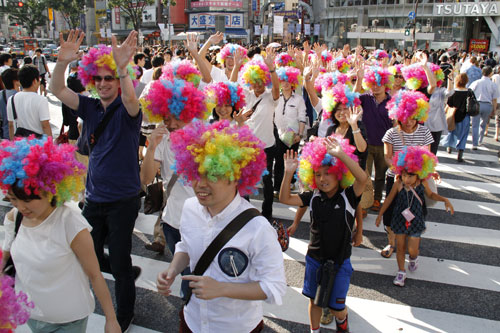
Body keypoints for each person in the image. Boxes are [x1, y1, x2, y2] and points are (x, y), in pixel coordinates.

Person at [50, 29, 142, 332]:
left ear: (117, 80)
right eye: (98, 78)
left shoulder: (128, 108)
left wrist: (123, 68)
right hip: (93, 198)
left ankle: (125, 312)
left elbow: (130, 98)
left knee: (118, 261)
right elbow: (58, 90)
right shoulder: (89, 105)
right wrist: (62, 63)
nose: (103, 83)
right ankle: (121, 268)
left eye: (109, 78)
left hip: (123, 200)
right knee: (84, 252)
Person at [157, 120, 287, 333]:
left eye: (213, 174)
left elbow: (274, 287)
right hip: (192, 321)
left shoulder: (258, 228)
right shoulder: (190, 208)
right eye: (197, 173)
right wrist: (172, 270)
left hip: (236, 327)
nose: (200, 184)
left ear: (236, 177)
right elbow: (185, 246)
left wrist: (223, 289)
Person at [0, 137, 121, 333]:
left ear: (50, 190)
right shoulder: (15, 218)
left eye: (28, 199)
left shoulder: (70, 222)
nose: (21, 207)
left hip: (68, 320)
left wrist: (111, 319)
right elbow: (5, 259)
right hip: (31, 316)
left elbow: (95, 275)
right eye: (13, 199)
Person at [279, 135, 368, 333]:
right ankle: (314, 330)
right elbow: (284, 198)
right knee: (315, 301)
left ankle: (342, 321)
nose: (322, 179)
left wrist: (341, 155)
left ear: (339, 173)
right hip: (314, 259)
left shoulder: (348, 197)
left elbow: (363, 179)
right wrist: (288, 173)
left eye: (328, 173)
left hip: (340, 260)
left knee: (337, 308)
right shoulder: (313, 197)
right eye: (317, 174)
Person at [140, 76, 207, 296]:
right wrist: (151, 148)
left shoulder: (204, 138)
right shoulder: (163, 140)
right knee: (189, 274)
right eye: (166, 119)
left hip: (201, 222)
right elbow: (146, 179)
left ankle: (190, 313)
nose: (172, 124)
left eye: (177, 118)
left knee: (194, 275)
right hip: (172, 222)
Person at [376, 146, 454, 287]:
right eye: (404, 175)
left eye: (410, 175)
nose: (407, 178)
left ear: (418, 173)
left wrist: (445, 200)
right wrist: (380, 214)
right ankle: (401, 272)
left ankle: (413, 258)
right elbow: (388, 199)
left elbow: (431, 195)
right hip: (399, 220)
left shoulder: (422, 183)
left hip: (416, 220)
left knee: (412, 249)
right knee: (400, 247)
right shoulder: (398, 183)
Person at [381, 90, 434, 259]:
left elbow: (428, 157)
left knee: (416, 212)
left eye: (413, 116)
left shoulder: (424, 132)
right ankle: (391, 242)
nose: (409, 121)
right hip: (396, 179)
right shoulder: (391, 133)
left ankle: (410, 241)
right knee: (390, 212)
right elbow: (387, 157)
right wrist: (400, 171)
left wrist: (419, 174)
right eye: (405, 117)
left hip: (417, 182)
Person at [231, 47, 280, 221]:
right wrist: (236, 67)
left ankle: (267, 213)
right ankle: (247, 211)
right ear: (249, 80)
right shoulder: (246, 95)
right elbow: (232, 87)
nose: (257, 84)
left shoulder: (270, 97)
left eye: (260, 81)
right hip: (246, 146)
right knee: (246, 180)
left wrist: (272, 69)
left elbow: (276, 87)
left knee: (266, 181)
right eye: (254, 81)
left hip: (266, 146)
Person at [354, 65, 394, 213]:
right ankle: (364, 203)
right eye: (373, 84)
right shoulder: (365, 98)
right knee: (365, 174)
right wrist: (359, 79)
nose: (376, 87)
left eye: (379, 84)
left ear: (385, 85)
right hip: (366, 143)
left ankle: (377, 199)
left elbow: (395, 124)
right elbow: (353, 97)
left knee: (380, 175)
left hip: (385, 144)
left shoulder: (391, 101)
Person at [273, 66, 307, 196]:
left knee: (291, 159)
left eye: (288, 81)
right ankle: (277, 186)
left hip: (293, 136)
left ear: (293, 82)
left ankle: (290, 183)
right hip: (278, 133)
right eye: (283, 80)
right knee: (279, 161)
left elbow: (302, 117)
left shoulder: (298, 99)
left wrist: (299, 134)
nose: (286, 83)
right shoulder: (276, 97)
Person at [6, 64, 52, 139]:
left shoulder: (11, 99)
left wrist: (12, 145)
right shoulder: (41, 100)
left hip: (20, 144)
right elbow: (45, 125)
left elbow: (11, 125)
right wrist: (50, 145)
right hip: (36, 145)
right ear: (34, 81)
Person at [441, 73, 471, 162]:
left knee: (451, 131)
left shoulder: (454, 92)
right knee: (464, 135)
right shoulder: (469, 92)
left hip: (453, 115)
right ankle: (460, 152)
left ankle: (449, 146)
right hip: (465, 116)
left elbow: (449, 104)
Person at [468, 66, 499, 149]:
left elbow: (469, 92)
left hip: (477, 104)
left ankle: (474, 143)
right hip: (488, 105)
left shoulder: (476, 82)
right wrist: (494, 109)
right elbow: (495, 99)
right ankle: (480, 140)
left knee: (475, 125)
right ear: (490, 73)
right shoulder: (493, 85)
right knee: (483, 124)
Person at [425, 71, 455, 155]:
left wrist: (450, 79)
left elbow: (450, 92)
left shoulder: (440, 91)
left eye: (435, 77)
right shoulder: (424, 90)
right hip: (424, 124)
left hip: (436, 125)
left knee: (433, 151)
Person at [0, 68, 19, 139]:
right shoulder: (19, 97)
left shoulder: (1, 94)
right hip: (18, 136)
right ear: (15, 81)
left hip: (3, 135)